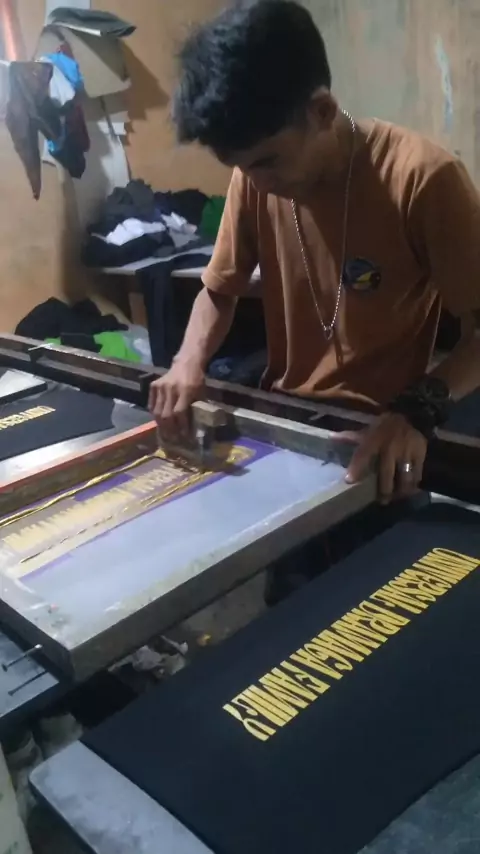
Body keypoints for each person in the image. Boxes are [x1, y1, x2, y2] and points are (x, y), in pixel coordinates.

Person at [149, 0, 480, 600]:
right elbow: (218, 290)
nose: (257, 183)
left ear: (322, 110)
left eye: (267, 162)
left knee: (372, 620)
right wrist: (187, 363)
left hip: (378, 441)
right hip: (287, 435)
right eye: (240, 167)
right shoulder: (254, 180)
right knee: (288, 612)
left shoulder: (423, 178)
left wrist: (419, 410)